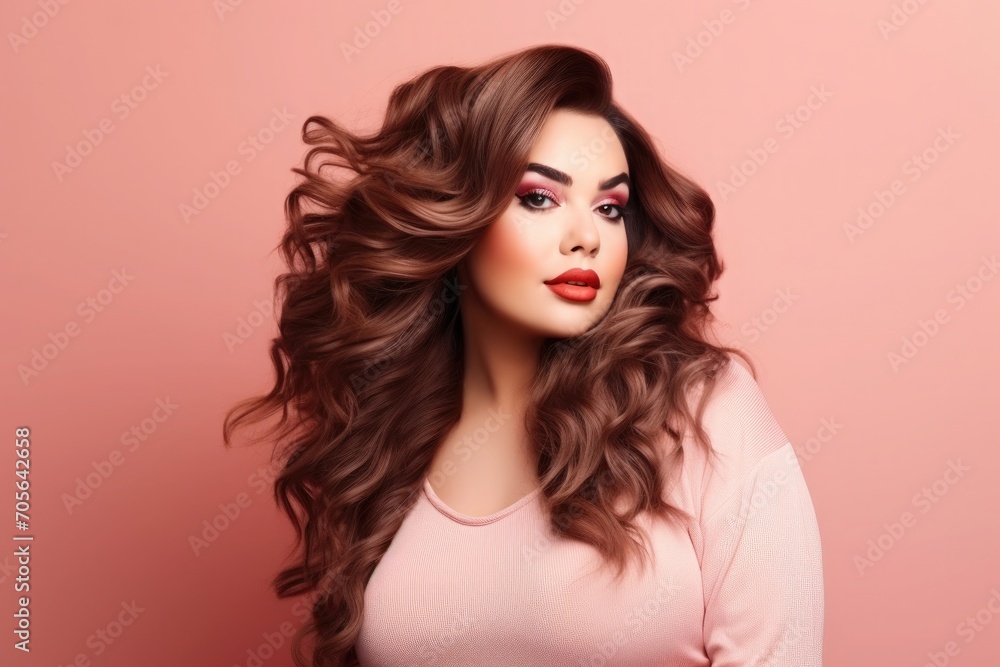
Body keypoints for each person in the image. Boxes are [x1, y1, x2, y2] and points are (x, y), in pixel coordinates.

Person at [223, 44, 824, 667]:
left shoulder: (704, 410)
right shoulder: (395, 448)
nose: (586, 236)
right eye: (540, 198)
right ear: (458, 217)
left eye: (610, 208)